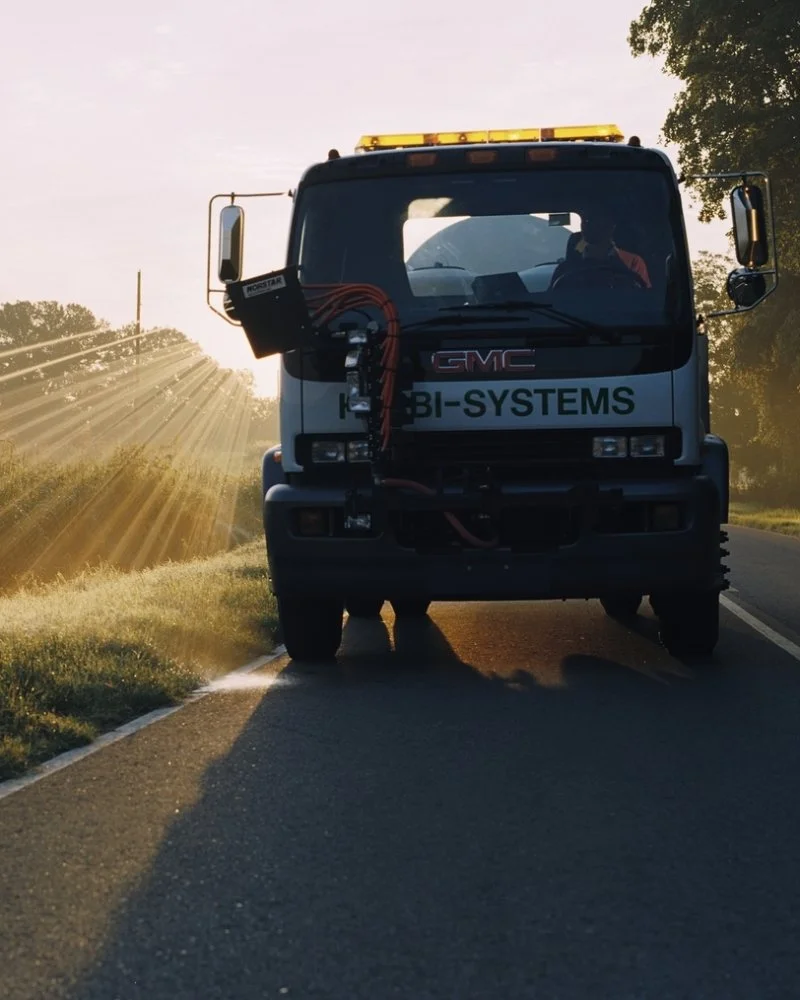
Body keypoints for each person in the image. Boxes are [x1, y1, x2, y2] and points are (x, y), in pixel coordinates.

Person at [550, 205, 651, 289]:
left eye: (593, 220)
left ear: (611, 226)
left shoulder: (633, 262)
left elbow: (644, 298)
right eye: (584, 220)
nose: (586, 225)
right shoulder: (564, 269)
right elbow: (550, 301)